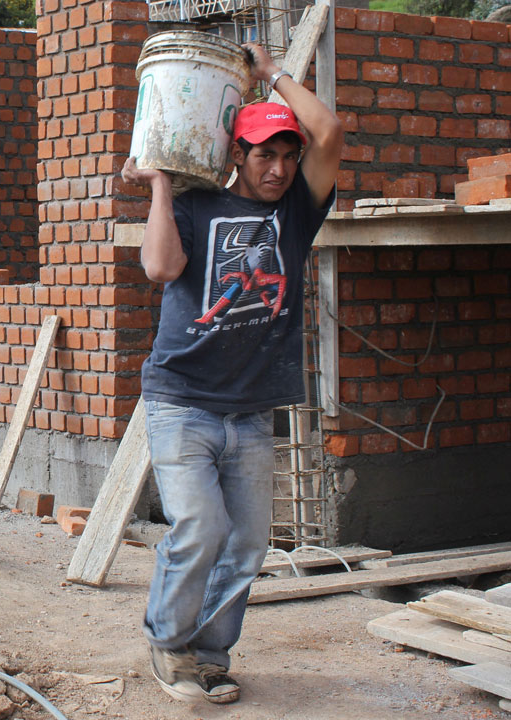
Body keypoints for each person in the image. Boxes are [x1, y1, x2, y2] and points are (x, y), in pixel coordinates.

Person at [120, 43, 343, 705]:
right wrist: (161, 185)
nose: (279, 169)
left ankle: (210, 655)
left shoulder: (296, 213)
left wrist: (271, 74)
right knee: (200, 528)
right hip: (182, 400)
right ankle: (168, 642)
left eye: (288, 155)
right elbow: (160, 269)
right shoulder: (195, 207)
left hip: (250, 409)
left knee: (246, 544)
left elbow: (329, 130)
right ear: (237, 156)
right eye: (264, 155)